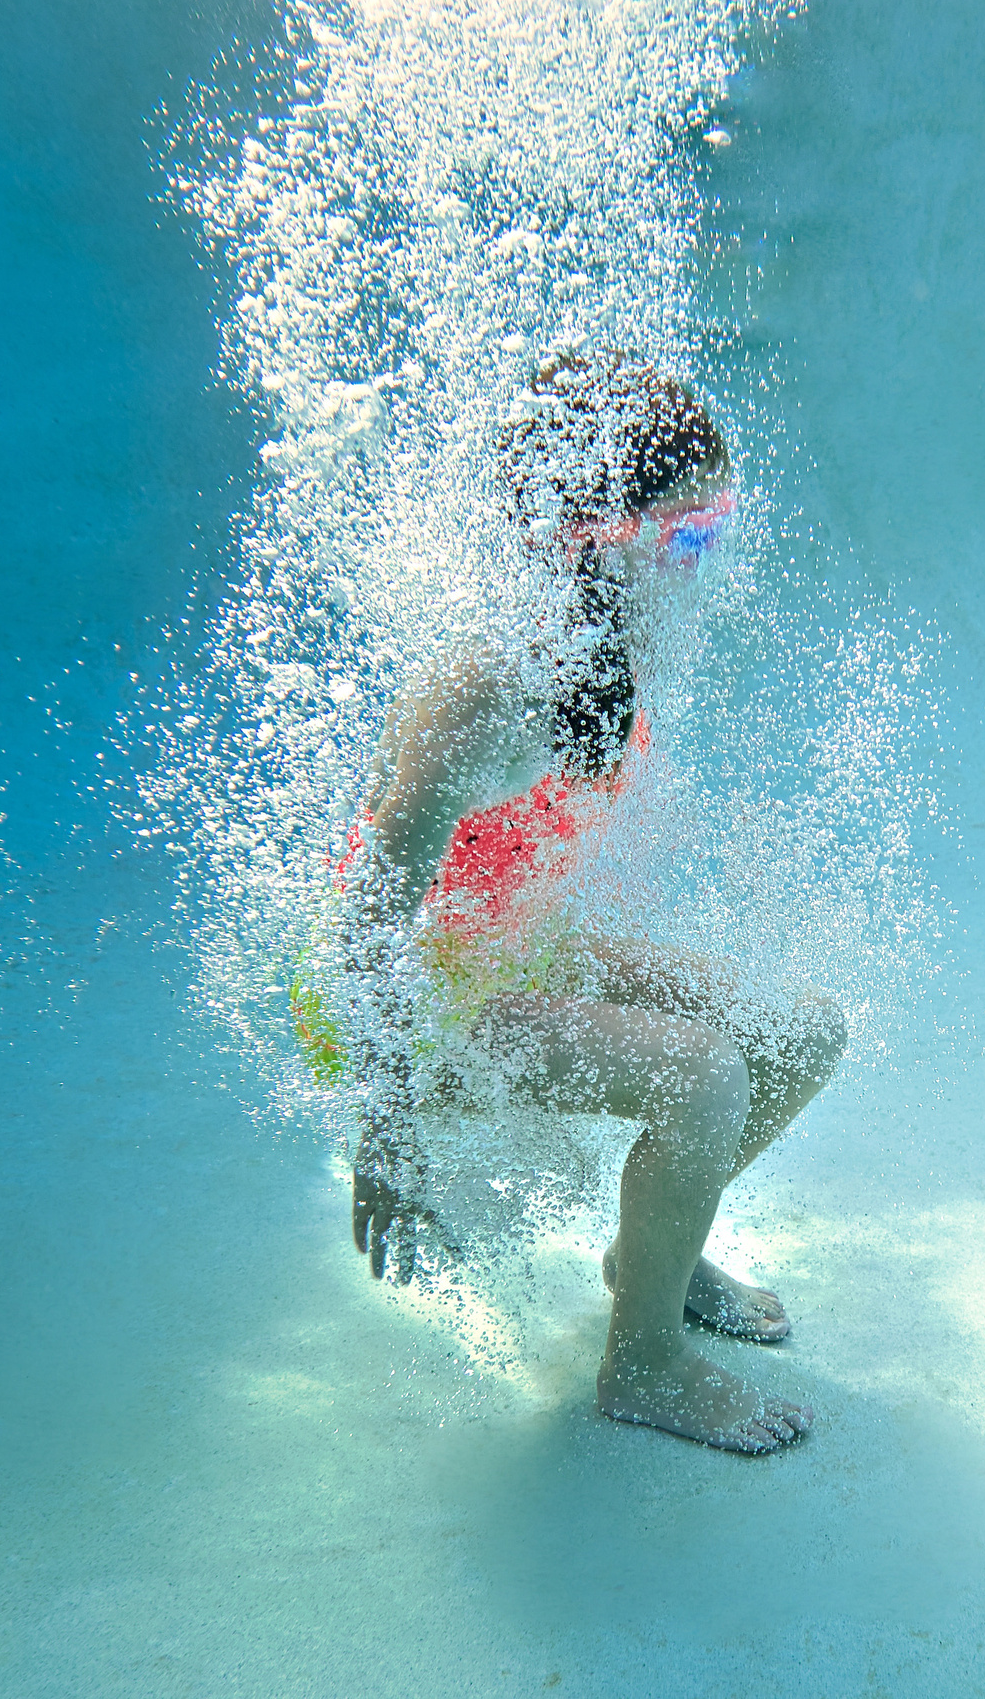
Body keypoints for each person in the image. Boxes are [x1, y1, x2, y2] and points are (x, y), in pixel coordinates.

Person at [338, 350, 841, 1455]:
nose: (710, 559)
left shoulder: (605, 648)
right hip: (400, 998)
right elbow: (370, 922)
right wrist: (383, 1130)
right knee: (701, 1071)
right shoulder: (483, 684)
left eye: (720, 522)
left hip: (506, 948)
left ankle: (653, 1254)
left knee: (799, 1028)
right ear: (595, 543)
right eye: (690, 534)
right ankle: (642, 1361)